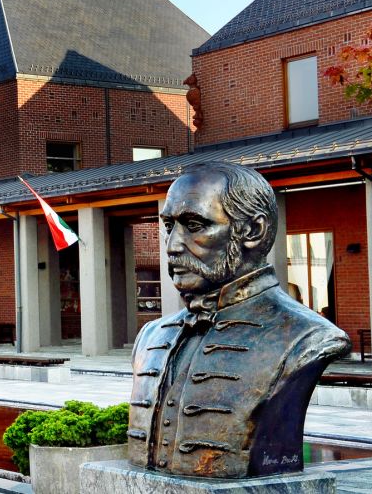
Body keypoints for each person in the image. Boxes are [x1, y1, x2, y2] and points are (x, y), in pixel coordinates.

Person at [127, 161, 349, 478]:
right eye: (168, 226)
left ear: (253, 231)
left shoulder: (306, 337)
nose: (172, 246)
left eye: (194, 225)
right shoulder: (151, 336)